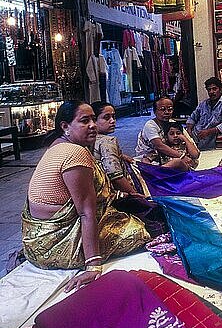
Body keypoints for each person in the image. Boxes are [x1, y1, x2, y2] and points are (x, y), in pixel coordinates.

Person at [22, 101, 151, 292]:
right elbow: (86, 212)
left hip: (34, 243)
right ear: (65, 126)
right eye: (84, 121)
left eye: (93, 119)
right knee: (139, 230)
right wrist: (92, 266)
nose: (92, 125)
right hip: (59, 241)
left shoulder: (57, 145)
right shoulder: (76, 153)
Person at [91, 101, 143, 196]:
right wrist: (135, 195)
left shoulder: (89, 140)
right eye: (106, 118)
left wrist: (121, 155)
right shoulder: (108, 141)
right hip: (115, 191)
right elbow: (115, 176)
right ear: (94, 121)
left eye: (113, 117)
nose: (112, 121)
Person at [135, 96, 192, 170]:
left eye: (170, 109)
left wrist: (186, 142)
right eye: (162, 109)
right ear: (155, 112)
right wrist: (181, 156)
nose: (167, 112)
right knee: (177, 162)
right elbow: (160, 146)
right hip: (149, 158)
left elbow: (192, 147)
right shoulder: (150, 125)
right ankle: (159, 172)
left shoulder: (173, 124)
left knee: (189, 161)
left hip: (168, 156)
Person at [186, 77, 222, 150]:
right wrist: (189, 131)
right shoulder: (203, 104)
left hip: (209, 141)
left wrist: (208, 132)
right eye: (209, 90)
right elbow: (193, 117)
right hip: (195, 138)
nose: (211, 92)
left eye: (214, 89)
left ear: (221, 90)